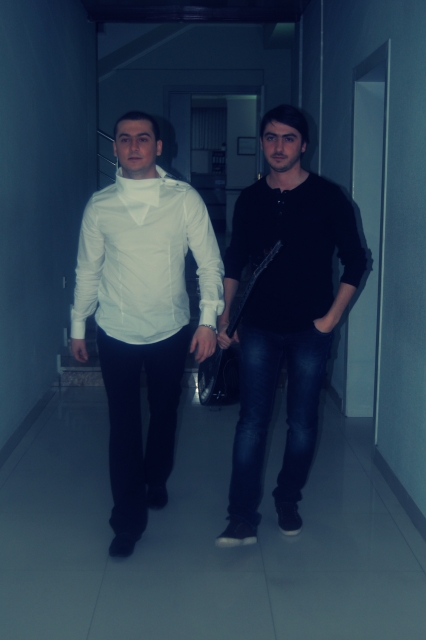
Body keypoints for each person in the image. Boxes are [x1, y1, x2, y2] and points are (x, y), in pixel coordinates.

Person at [71, 111, 224, 558]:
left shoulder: (184, 199)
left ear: (159, 147)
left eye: (142, 138)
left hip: (169, 330)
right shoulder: (100, 206)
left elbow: (210, 264)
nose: (133, 146)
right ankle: (127, 521)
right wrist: (79, 325)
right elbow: (87, 270)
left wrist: (208, 321)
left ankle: (156, 477)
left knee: (164, 411)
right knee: (123, 425)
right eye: (124, 138)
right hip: (116, 330)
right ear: (115, 147)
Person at [215, 104, 366, 547]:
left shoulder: (328, 197)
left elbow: (356, 260)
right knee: (251, 422)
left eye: (288, 138)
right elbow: (235, 259)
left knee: (301, 424)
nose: (278, 146)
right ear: (262, 143)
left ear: (303, 145)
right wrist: (228, 313)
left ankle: (287, 498)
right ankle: (241, 516)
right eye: (270, 137)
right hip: (258, 327)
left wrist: (331, 319)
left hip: (310, 331)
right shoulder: (250, 199)